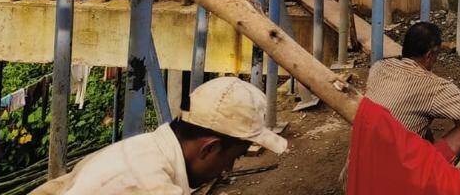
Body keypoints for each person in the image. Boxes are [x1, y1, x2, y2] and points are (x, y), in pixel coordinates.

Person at [30, 76, 286, 195]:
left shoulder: (142, 150)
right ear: (209, 148)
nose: (228, 169)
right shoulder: (148, 185)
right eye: (234, 158)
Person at [364, 22, 460, 162]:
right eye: (437, 55)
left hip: (358, 168)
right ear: (429, 55)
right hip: (396, 175)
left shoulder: (378, 67)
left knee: (419, 124)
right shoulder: (433, 86)